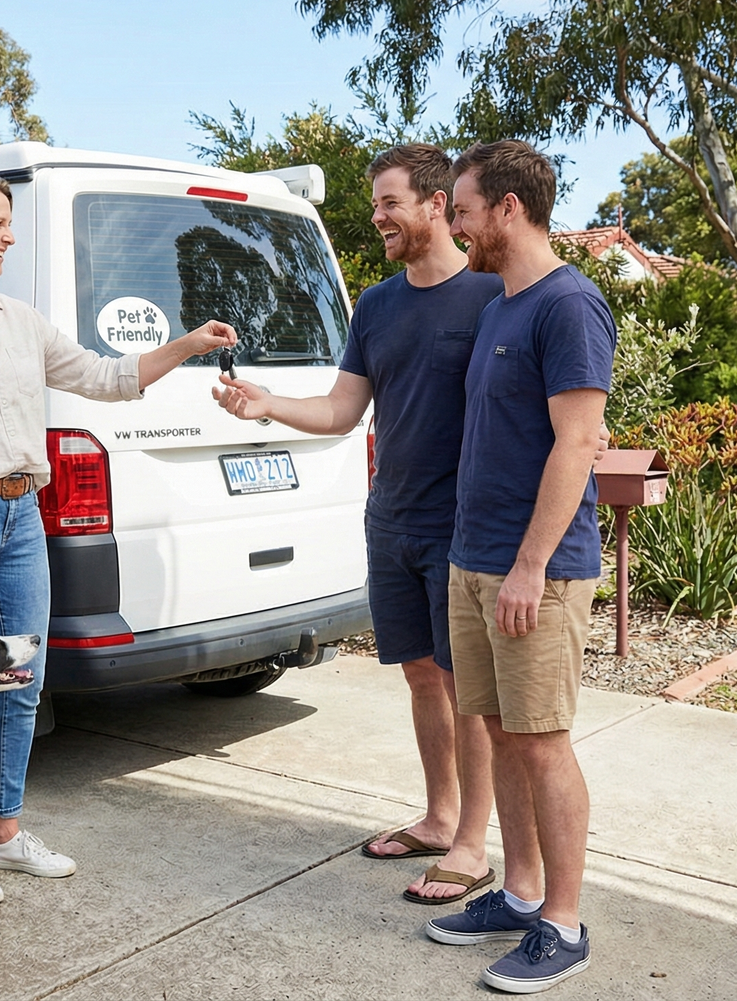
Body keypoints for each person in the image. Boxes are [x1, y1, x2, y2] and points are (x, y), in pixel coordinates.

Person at [0, 167, 237, 907]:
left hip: (21, 515)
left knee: (21, 682)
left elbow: (105, 375)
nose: (8, 236)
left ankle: (3, 833)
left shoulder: (17, 320)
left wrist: (187, 345)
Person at [212, 143, 503, 906]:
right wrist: (267, 404)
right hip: (393, 518)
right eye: (376, 203)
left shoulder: (491, 295)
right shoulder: (376, 304)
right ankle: (441, 816)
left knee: (467, 685)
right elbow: (344, 410)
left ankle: (474, 841)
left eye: (388, 202)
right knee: (419, 673)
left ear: (437, 204)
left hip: (461, 527)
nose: (377, 217)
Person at [421, 141, 615, 994]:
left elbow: (579, 442)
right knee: (500, 734)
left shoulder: (568, 305)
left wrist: (532, 564)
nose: (453, 223)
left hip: (536, 568)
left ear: (506, 208)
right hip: (475, 559)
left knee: (541, 741)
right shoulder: (503, 303)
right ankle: (522, 890)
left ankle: (564, 922)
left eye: (461, 209)